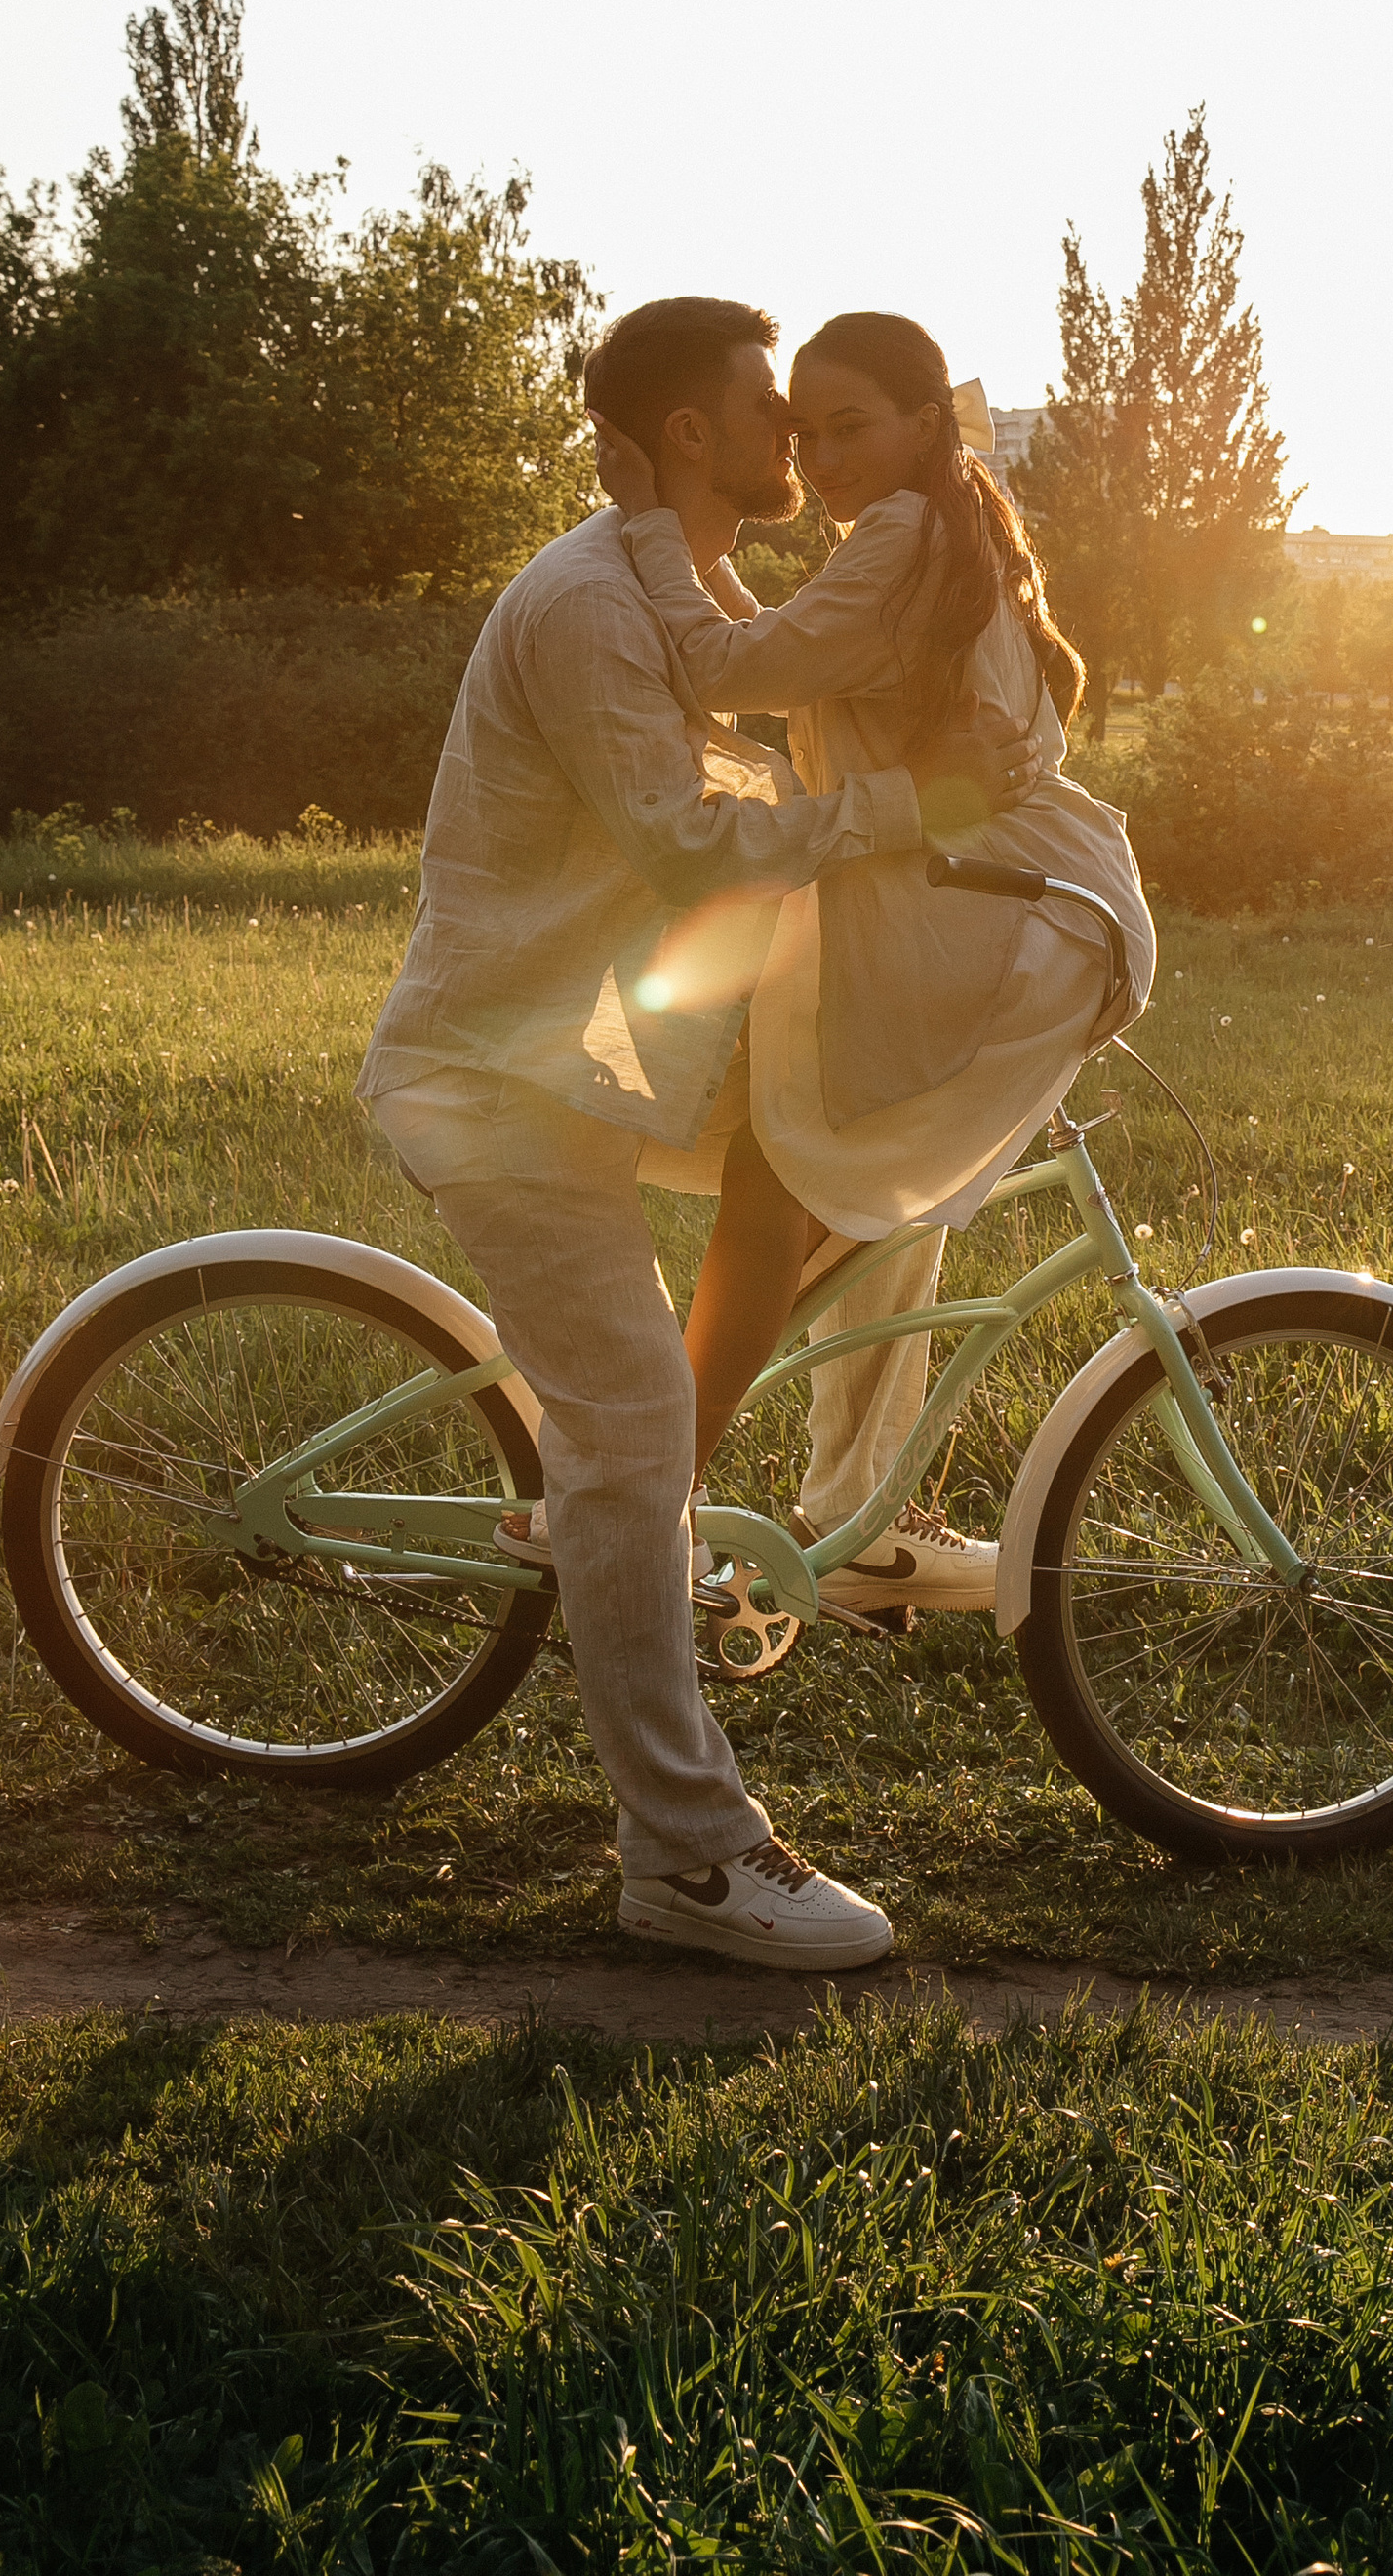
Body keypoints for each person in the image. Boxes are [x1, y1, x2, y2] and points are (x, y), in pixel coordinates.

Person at [357, 296, 1040, 1973]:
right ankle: (684, 1853)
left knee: (868, 1150)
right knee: (633, 1419)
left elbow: (740, 723)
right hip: (501, 1075)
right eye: (764, 406)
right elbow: (681, 842)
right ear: (687, 439)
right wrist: (903, 814)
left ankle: (844, 1515)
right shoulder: (595, 604)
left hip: (592, 1052)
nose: (791, 435)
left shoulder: (680, 580)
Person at [591, 311, 1155, 1580]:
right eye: (805, 428)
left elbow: (723, 663)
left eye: (853, 426)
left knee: (781, 1185)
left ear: (918, 425)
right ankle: (851, 1511)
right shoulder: (931, 531)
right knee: (868, 1206)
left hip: (970, 917)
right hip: (1009, 911)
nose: (825, 455)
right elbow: (781, 666)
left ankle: (644, 1495)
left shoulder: (898, 535)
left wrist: (647, 525)